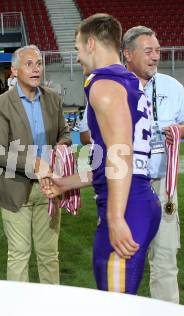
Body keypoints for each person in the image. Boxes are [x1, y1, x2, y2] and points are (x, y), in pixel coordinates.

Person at [41, 14, 161, 294]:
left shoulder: (104, 85)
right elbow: (115, 158)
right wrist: (66, 183)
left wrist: (116, 217)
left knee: (115, 305)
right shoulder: (129, 82)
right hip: (138, 198)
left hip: (128, 205)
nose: (78, 57)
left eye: (78, 49)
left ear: (91, 43)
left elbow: (121, 155)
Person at [0, 45, 71, 283]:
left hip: (50, 188)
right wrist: (34, 164)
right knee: (19, 256)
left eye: (39, 63)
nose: (36, 69)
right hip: (16, 189)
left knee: (49, 256)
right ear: (14, 71)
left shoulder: (53, 99)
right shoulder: (0, 104)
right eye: (29, 64)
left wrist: (61, 147)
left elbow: (64, 134)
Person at [123, 26, 184, 303]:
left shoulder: (172, 87)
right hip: (127, 189)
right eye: (148, 51)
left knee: (166, 261)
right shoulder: (113, 88)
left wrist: (179, 131)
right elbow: (87, 133)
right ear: (128, 55)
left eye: (158, 50)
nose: (155, 56)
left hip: (163, 186)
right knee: (126, 261)